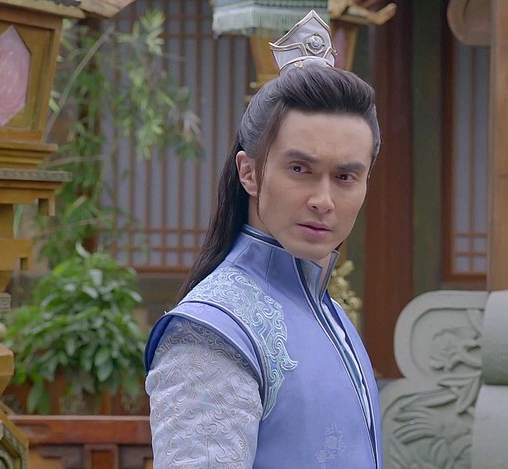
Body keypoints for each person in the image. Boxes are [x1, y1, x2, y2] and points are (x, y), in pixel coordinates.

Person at [144, 11, 383, 468]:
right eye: (300, 169)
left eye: (345, 177)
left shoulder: (331, 316)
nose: (323, 200)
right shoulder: (213, 332)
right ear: (249, 172)